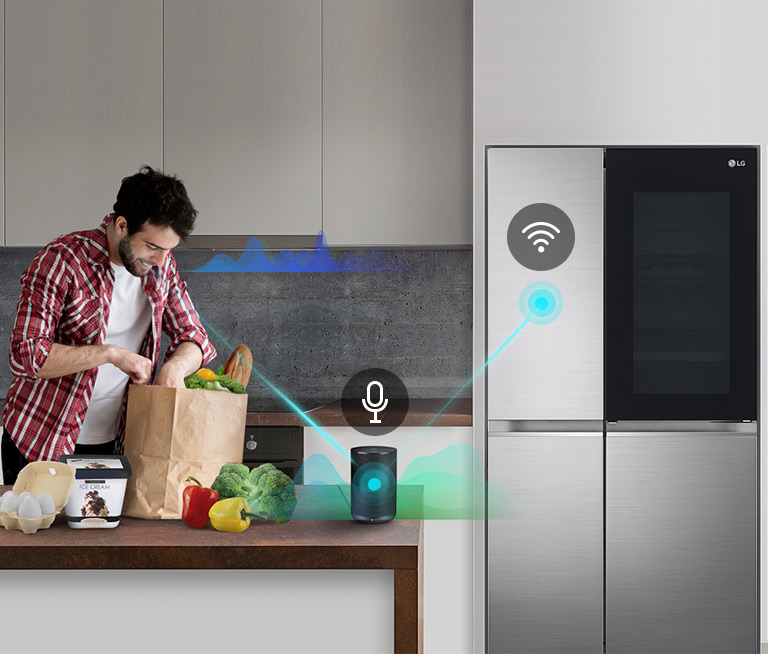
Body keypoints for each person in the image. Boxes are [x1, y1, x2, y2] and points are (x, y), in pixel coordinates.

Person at [1, 165, 216, 485]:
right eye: (153, 246)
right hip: (41, 440)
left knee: (104, 537)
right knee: (45, 533)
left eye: (168, 250)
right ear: (121, 225)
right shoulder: (62, 260)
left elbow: (194, 337)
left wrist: (176, 367)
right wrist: (111, 353)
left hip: (114, 444)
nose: (161, 260)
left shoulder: (161, 266)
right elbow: (26, 354)